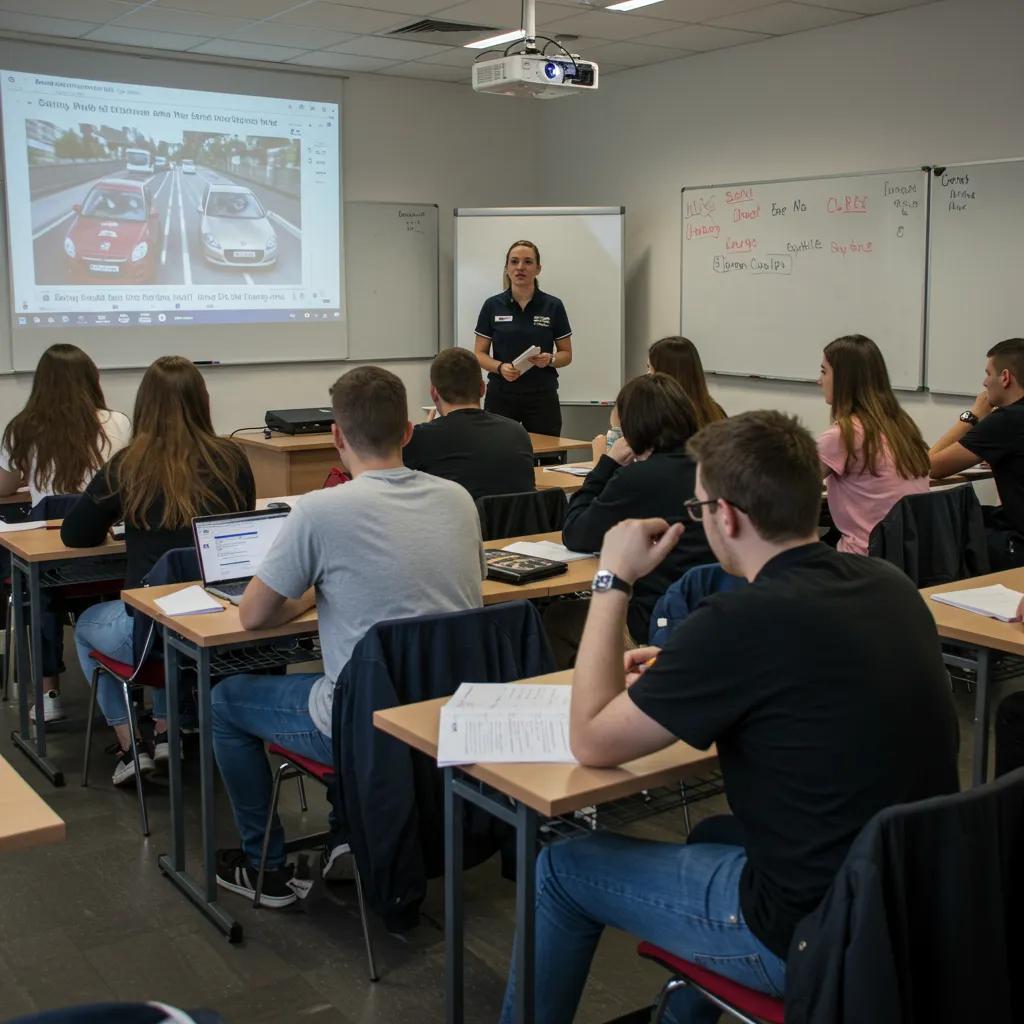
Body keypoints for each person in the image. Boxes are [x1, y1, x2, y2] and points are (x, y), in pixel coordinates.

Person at [500, 410, 959, 1024]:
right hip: (911, 902)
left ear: (728, 516)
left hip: (809, 933)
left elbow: (591, 740)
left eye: (698, 510)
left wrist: (612, 581)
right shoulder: (889, 585)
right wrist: (692, 666)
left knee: (560, 867)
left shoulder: (738, 622)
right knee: (711, 838)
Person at [211, 366, 485, 909]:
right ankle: (347, 836)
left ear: (336, 436)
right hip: (447, 712)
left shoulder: (319, 510)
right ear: (409, 431)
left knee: (224, 702)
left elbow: (252, 616)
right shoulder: (458, 499)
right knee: (340, 670)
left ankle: (264, 868)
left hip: (362, 723)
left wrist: (314, 590)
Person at [62, 356, 254, 786]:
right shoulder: (232, 459)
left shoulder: (127, 465)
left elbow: (75, 535)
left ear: (145, 405)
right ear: (201, 401)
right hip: (217, 625)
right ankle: (168, 732)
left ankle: (132, 746)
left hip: (149, 637)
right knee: (170, 612)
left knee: (89, 625)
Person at [0, 343, 131, 722]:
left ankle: (49, 693)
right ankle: (126, 683)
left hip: (50, 554)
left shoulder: (22, 428)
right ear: (92, 379)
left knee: (34, 591)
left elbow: (5, 487)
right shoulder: (118, 421)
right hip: (108, 548)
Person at [561, 373, 713, 645]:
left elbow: (576, 533)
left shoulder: (638, 478)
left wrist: (606, 464)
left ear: (633, 427)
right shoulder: (716, 467)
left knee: (560, 618)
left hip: (655, 619)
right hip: (712, 614)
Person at [816, 334, 931, 555]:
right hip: (910, 557)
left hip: (862, 559)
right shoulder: (901, 426)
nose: (819, 381)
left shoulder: (843, 435)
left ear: (843, 379)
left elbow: (789, 490)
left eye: (824, 371)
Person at [929, 338, 1024, 569]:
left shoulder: (1008, 419)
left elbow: (932, 466)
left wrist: (972, 415)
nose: (984, 382)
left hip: (1019, 546)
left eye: (987, 373)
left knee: (939, 524)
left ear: (1005, 377)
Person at [402, 346, 534, 499]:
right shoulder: (517, 432)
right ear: (482, 388)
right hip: (519, 523)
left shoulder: (423, 437)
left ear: (434, 393)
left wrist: (426, 429)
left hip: (460, 522)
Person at [473, 240, 572, 436]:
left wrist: (550, 359)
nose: (520, 267)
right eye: (514, 261)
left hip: (541, 396)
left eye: (527, 262)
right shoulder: (492, 305)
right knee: (498, 453)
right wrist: (501, 368)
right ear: (507, 268)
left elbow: (566, 354)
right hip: (502, 394)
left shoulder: (553, 306)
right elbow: (479, 354)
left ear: (538, 269)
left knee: (549, 456)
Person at [594, 336, 725, 461]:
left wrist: (600, 458)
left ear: (665, 375)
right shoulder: (716, 413)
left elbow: (632, 474)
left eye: (650, 368)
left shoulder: (660, 421)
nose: (647, 375)